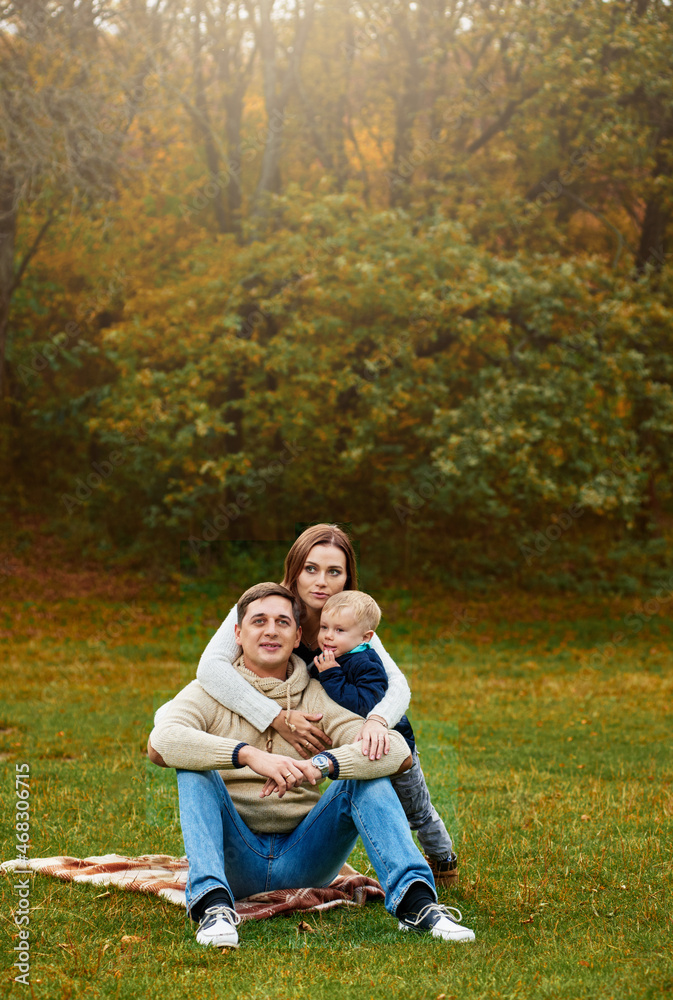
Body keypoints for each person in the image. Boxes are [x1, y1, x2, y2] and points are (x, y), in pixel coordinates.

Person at [147, 582, 475, 949]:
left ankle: (418, 906)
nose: (271, 630)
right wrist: (249, 755)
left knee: (364, 778)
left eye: (282, 622)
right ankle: (213, 906)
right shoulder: (207, 692)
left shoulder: (318, 693)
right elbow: (161, 741)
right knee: (194, 769)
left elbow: (395, 753)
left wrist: (323, 763)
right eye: (259, 621)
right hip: (234, 859)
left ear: (299, 634)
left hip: (307, 856)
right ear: (238, 633)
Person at [187, 523, 458, 884]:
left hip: (351, 718)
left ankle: (440, 857)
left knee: (405, 787)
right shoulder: (272, 606)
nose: (321, 581)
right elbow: (209, 667)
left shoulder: (348, 619)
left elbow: (398, 685)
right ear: (295, 570)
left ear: (347, 579)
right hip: (290, 717)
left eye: (334, 572)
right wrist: (275, 717)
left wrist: (377, 721)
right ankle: (244, 846)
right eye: (311, 568)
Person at [310, 589, 457, 883]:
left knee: (417, 811)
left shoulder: (366, 663)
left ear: (365, 637)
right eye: (325, 627)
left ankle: (444, 861)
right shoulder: (333, 655)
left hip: (396, 748)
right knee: (385, 808)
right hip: (368, 751)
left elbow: (364, 704)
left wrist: (330, 675)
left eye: (339, 630)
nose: (328, 635)